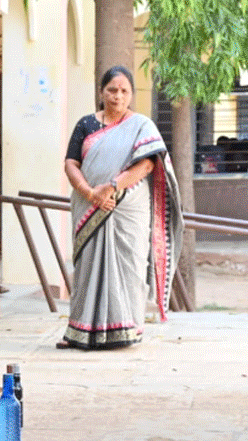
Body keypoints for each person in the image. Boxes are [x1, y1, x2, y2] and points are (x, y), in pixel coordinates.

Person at [60, 64, 182, 350]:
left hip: (126, 207)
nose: (118, 96)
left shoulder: (141, 126)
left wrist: (112, 186)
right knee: (88, 267)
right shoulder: (86, 124)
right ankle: (81, 331)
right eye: (112, 90)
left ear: (131, 95)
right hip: (88, 205)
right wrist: (89, 192)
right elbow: (71, 163)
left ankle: (125, 329)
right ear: (101, 93)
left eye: (124, 91)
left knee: (129, 267)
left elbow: (148, 164)